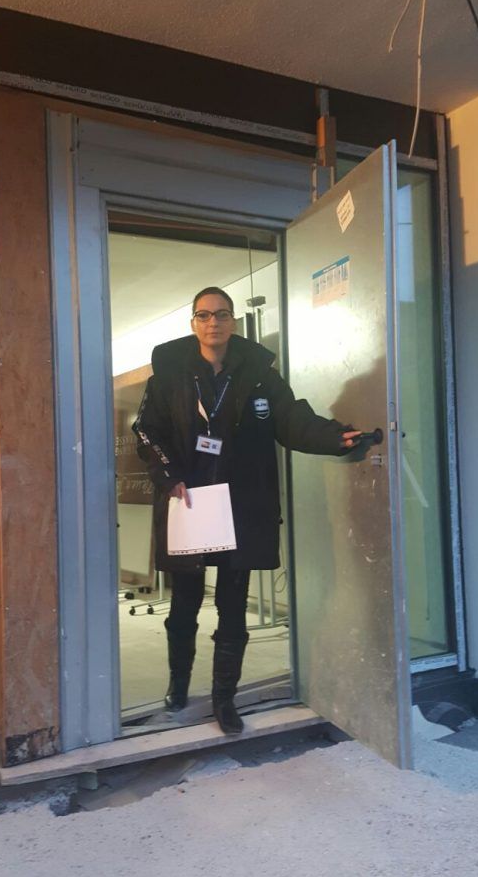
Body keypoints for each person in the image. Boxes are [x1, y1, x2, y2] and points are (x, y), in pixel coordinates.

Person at [133, 286, 362, 735]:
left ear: (233, 321)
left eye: (221, 314)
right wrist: (169, 472)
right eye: (204, 315)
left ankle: (225, 699)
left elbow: (292, 420)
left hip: (239, 503)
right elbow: (146, 429)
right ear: (193, 323)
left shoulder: (259, 374)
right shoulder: (170, 373)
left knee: (233, 604)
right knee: (184, 601)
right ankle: (178, 685)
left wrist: (335, 437)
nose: (213, 322)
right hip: (189, 500)